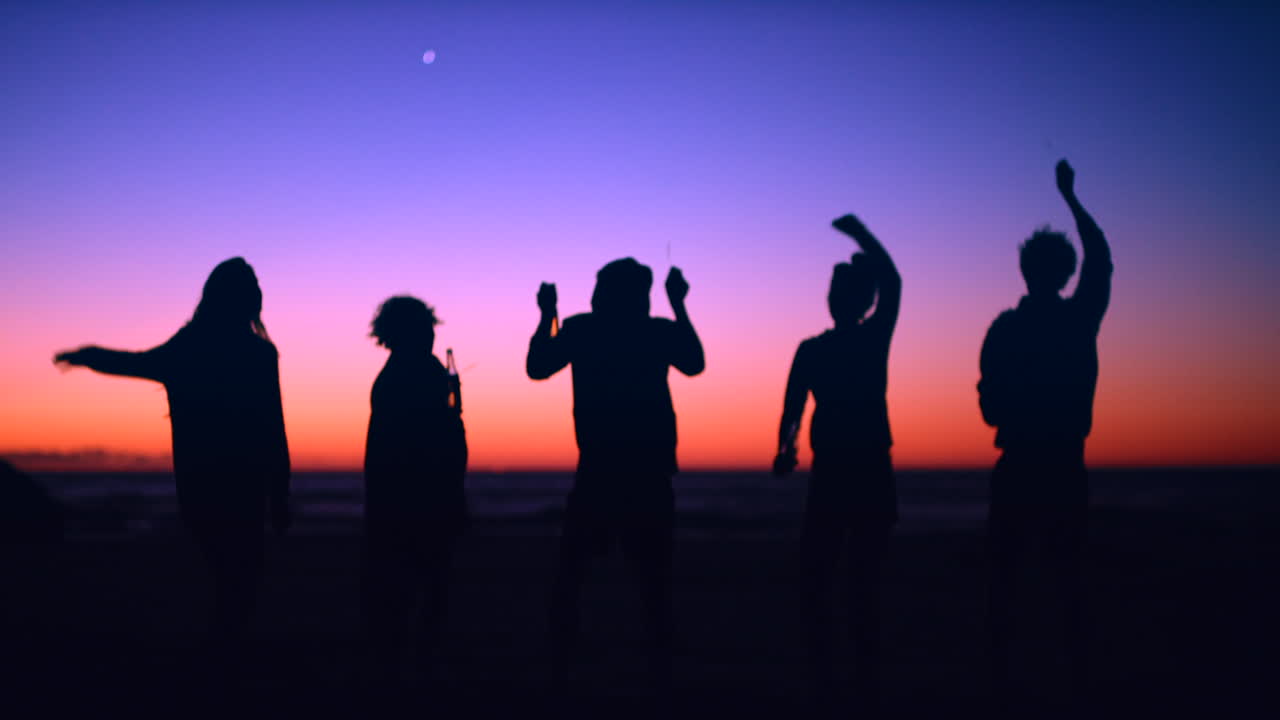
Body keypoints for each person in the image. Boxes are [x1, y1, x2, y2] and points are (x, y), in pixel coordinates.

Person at [53, 257, 291, 667]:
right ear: (252, 300)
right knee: (240, 571)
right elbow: (273, 430)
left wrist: (87, 355)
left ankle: (222, 650)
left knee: (222, 568)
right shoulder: (257, 354)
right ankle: (229, 651)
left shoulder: (190, 347)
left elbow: (135, 363)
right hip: (243, 482)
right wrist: (280, 495)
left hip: (199, 483)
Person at [526, 258, 704, 694]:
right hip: (646, 472)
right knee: (651, 579)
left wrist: (547, 314)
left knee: (574, 576)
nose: (593, 294)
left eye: (599, 287)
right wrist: (679, 305)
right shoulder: (656, 331)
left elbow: (537, 365)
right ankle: (657, 668)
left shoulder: (583, 329)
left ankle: (560, 666)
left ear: (605, 294)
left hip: (600, 471)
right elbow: (695, 362)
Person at [978, 159, 1112, 708]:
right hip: (1061, 464)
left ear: (1026, 271)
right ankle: (1069, 680)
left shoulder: (1006, 329)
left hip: (1023, 464)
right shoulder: (1077, 320)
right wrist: (1072, 199)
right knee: (1065, 578)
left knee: (1009, 579)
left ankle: (1007, 681)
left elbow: (988, 407)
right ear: (1062, 273)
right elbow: (1101, 258)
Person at [773, 214, 901, 709]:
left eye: (839, 289)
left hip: (863, 468)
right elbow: (792, 406)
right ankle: (834, 670)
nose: (833, 296)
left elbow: (892, 280)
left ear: (859, 300)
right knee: (827, 576)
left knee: (852, 577)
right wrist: (786, 447)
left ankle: (855, 670)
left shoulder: (870, 338)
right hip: (839, 472)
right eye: (831, 288)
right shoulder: (815, 348)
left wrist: (862, 235)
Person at [361, 296, 468, 686]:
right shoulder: (421, 373)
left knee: (399, 592)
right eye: (425, 328)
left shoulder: (398, 374)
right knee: (422, 590)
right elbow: (444, 441)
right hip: (420, 498)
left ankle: (398, 670)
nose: (431, 335)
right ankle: (413, 672)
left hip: (394, 499)